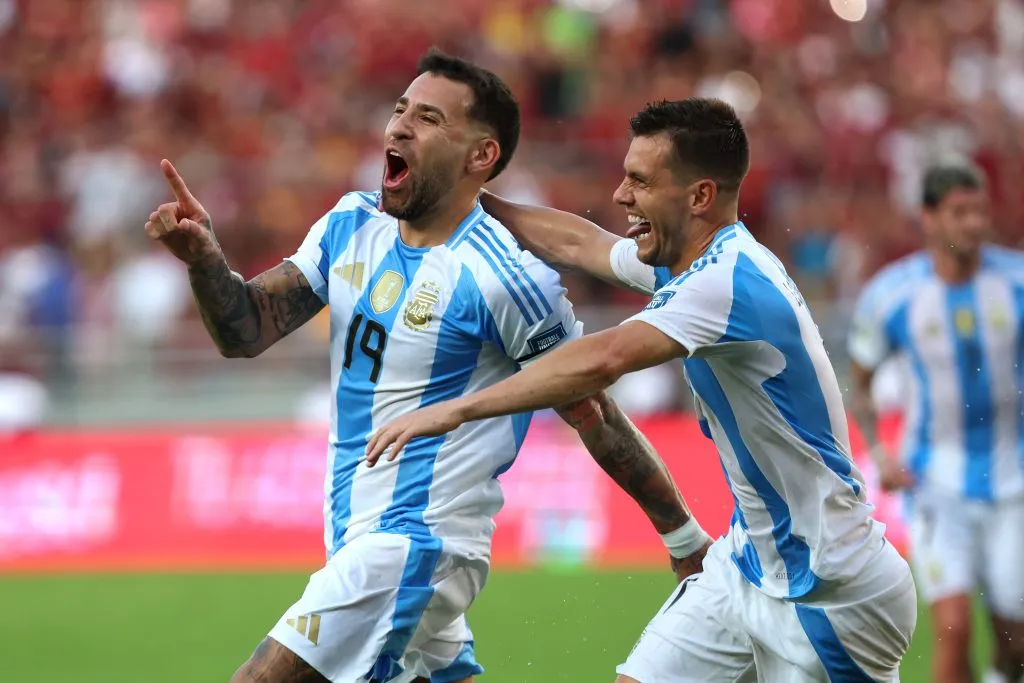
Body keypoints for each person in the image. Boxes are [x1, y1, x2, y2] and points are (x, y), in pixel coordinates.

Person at [144, 50, 705, 683]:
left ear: (480, 156)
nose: (400, 127)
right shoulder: (350, 225)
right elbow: (245, 332)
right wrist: (203, 260)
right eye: (400, 110)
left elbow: (592, 409)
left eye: (429, 118)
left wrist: (682, 538)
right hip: (363, 542)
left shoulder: (505, 277)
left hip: (416, 545)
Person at [366, 97, 918, 682]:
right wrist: (477, 201)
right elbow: (583, 245)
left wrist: (455, 411)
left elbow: (605, 358)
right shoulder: (691, 263)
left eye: (639, 181)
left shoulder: (726, 285)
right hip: (747, 567)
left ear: (699, 196)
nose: (620, 196)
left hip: (831, 592)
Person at [848, 160, 1024, 683]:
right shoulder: (892, 294)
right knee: (954, 626)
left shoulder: (1015, 282)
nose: (973, 223)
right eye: (958, 212)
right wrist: (881, 451)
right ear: (928, 217)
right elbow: (858, 385)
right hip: (934, 481)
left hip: (1014, 479)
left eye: (979, 211)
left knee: (1015, 639)